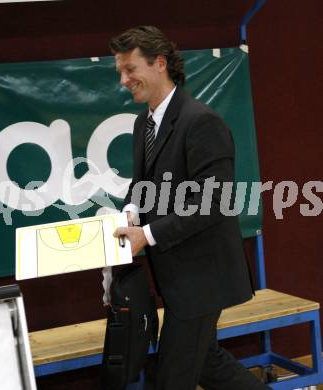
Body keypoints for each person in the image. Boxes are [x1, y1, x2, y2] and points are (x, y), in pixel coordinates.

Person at [111, 26, 270, 390]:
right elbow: (145, 185)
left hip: (203, 279)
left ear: (160, 64)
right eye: (120, 71)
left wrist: (146, 235)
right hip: (179, 278)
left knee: (173, 378)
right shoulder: (144, 124)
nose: (124, 79)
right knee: (206, 364)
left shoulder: (201, 121)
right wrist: (132, 210)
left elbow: (214, 201)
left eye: (130, 69)